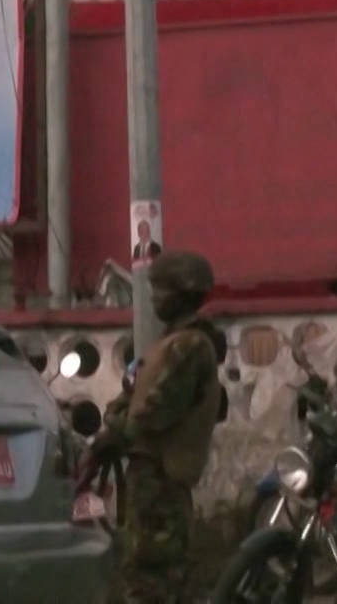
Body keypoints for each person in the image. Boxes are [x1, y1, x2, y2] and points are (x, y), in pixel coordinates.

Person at [88, 251, 223, 604]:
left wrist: (117, 435)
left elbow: (156, 408)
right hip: (148, 477)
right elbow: (131, 396)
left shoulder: (190, 346)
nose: (154, 298)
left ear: (183, 293)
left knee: (153, 576)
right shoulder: (169, 344)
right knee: (140, 568)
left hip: (163, 480)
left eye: (161, 290)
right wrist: (113, 426)